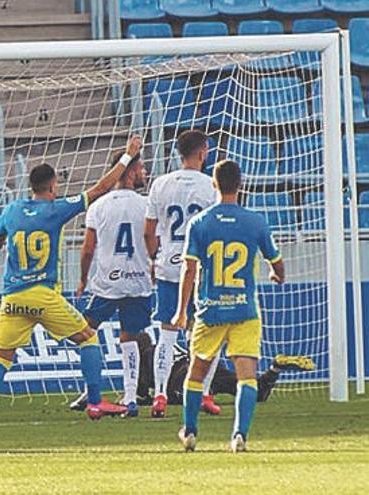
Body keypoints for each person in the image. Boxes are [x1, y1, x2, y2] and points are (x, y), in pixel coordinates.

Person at [0, 135, 144, 426]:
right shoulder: (56, 210)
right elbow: (101, 188)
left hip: (12, 298)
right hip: (42, 294)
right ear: (52, 186)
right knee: (88, 338)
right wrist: (127, 156)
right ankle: (95, 400)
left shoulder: (12, 210)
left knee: (2, 356)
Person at [175, 159, 285, 453]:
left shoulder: (199, 223)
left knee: (196, 374)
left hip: (210, 310)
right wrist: (277, 274)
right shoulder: (256, 221)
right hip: (244, 311)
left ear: (214, 183)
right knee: (247, 375)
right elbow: (276, 261)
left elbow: (189, 270)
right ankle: (239, 434)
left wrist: (180, 310)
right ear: (241, 184)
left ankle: (190, 432)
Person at [144, 129, 221, 419]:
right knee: (206, 334)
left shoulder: (160, 184)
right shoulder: (210, 186)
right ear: (202, 153)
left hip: (168, 267)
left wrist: (155, 258)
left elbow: (148, 231)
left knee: (166, 334)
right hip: (201, 270)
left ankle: (160, 395)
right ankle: (203, 393)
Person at [78, 149, 151, 417]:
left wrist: (83, 279)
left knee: (84, 332)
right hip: (138, 283)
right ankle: (130, 398)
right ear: (130, 172)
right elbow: (154, 240)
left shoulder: (99, 206)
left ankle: (92, 390)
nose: (144, 173)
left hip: (107, 283)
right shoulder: (147, 205)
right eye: (141, 169)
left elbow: (87, 250)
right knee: (129, 337)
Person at [68, 331, 316, 409]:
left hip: (181, 380)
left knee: (188, 399)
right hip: (204, 365)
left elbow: (141, 396)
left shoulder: (144, 364)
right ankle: (274, 368)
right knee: (255, 391)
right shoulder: (160, 348)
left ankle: (274, 368)